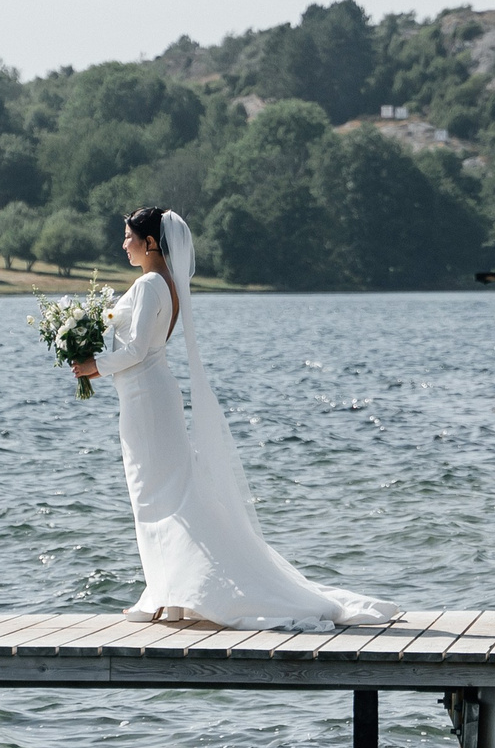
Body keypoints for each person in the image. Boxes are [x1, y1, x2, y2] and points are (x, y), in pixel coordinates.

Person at [71, 206, 398, 630]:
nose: (124, 244)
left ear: (151, 242)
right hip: (147, 397)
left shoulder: (151, 284)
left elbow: (135, 350)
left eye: (129, 237)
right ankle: (170, 595)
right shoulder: (164, 283)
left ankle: (165, 595)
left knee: (155, 495)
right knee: (166, 495)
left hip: (146, 400)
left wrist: (93, 366)